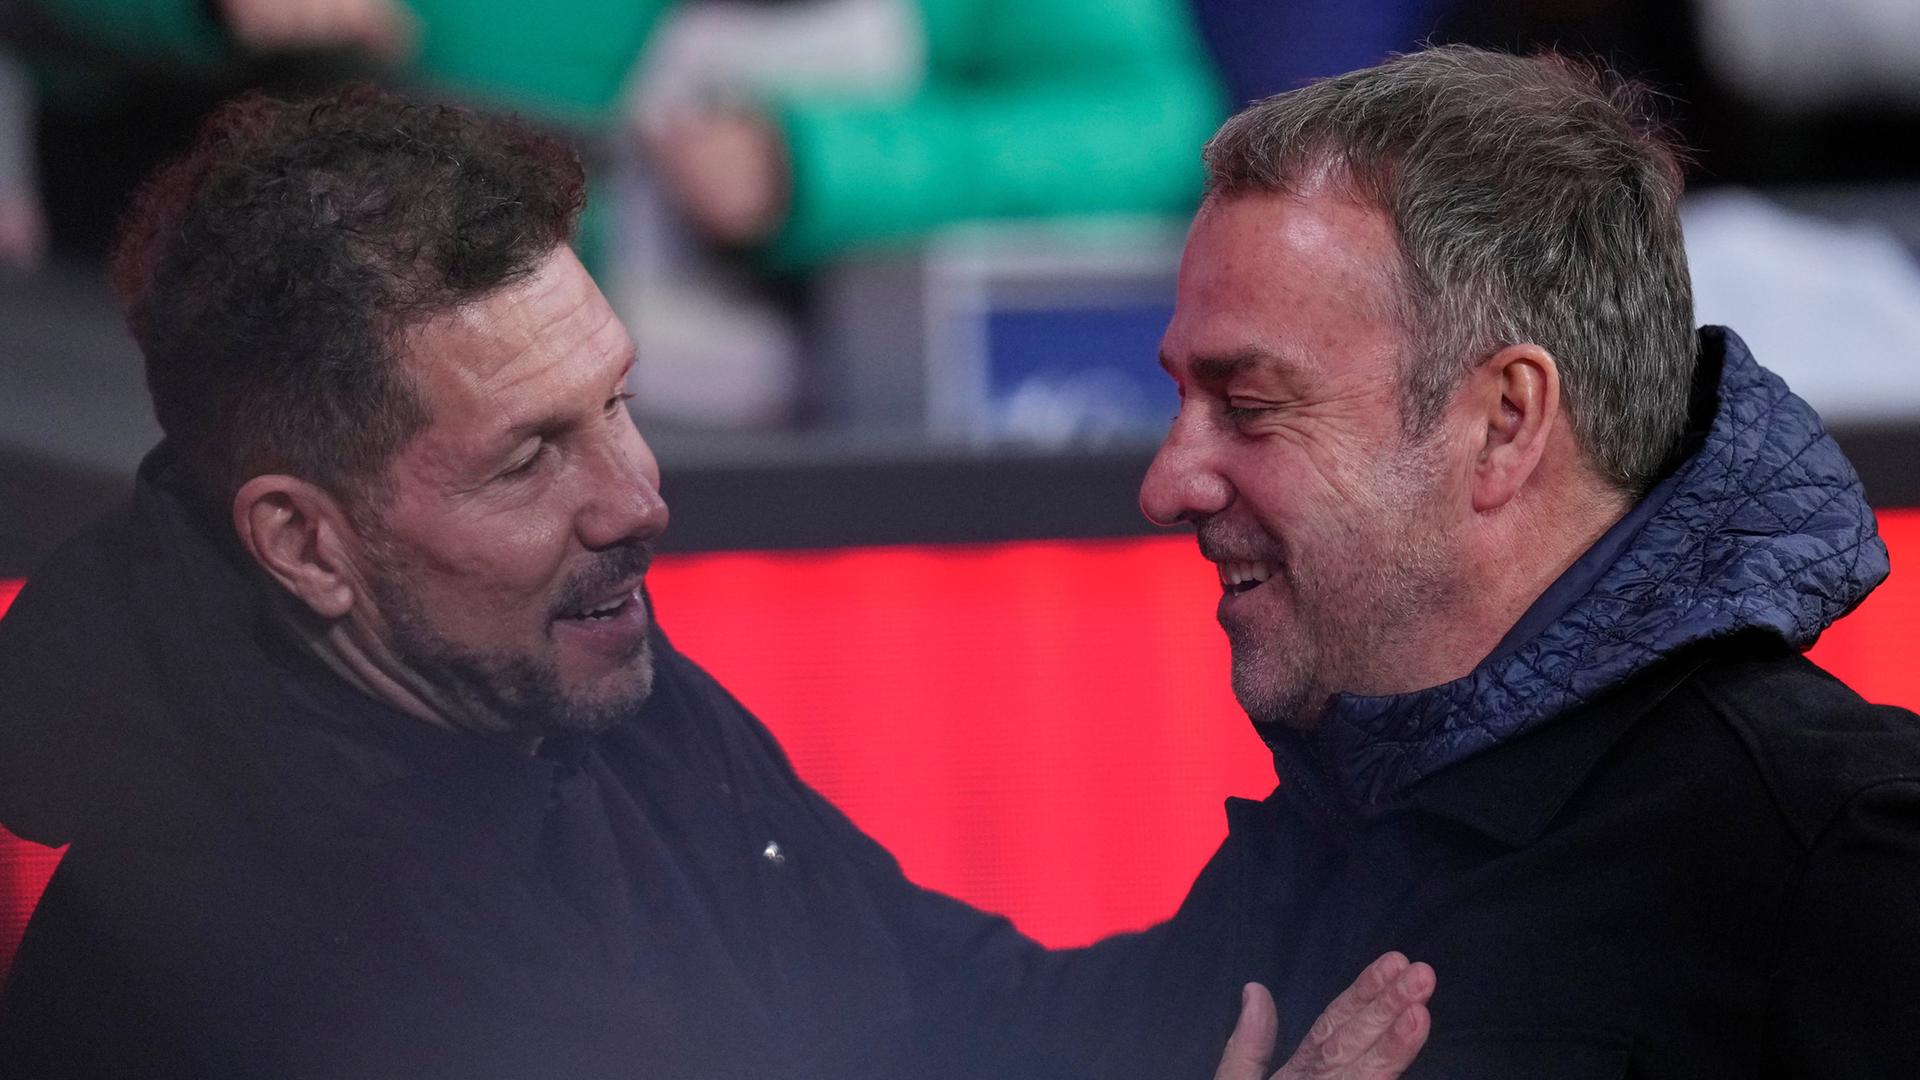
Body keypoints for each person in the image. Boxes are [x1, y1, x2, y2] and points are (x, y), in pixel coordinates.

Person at [0, 84, 1431, 1079]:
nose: (637, 498)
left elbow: (975, 1021)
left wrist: (1375, 792)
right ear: (305, 544)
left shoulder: (576, 696)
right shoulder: (231, 974)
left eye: (616, 403)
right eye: (528, 459)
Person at [1126, 44, 1920, 1076]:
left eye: (1247, 405)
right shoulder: (1313, 840)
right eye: (1182, 401)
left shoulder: (1843, 853)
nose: (1167, 484)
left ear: (1505, 422)